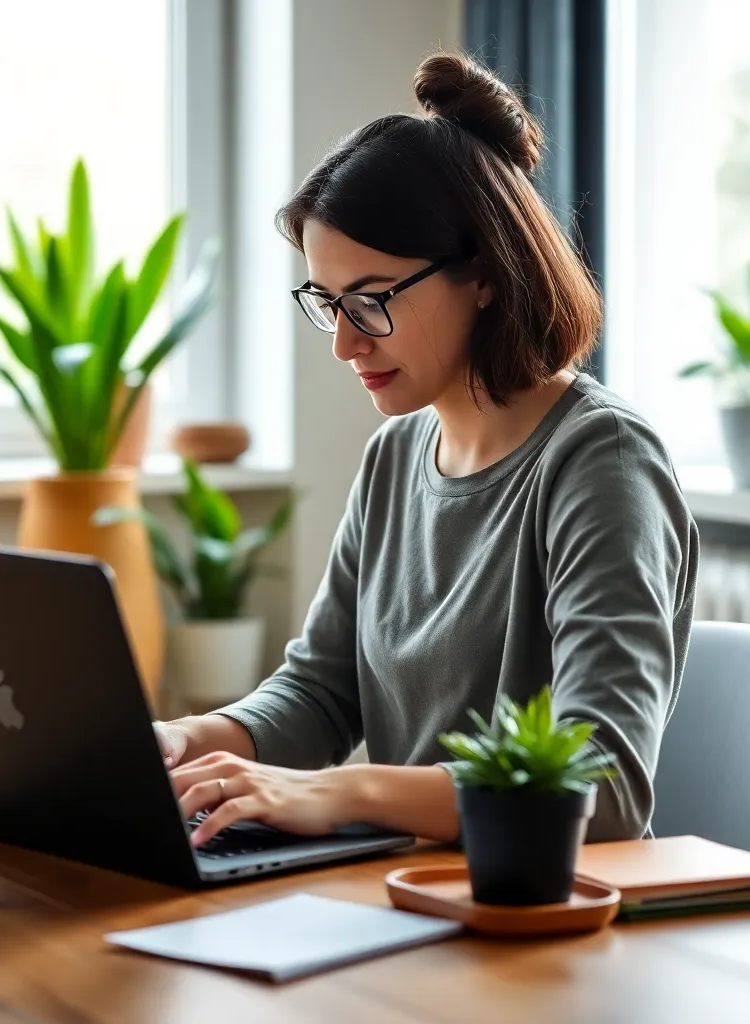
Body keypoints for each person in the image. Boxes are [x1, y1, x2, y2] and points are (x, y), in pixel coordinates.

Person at [158, 51, 699, 849]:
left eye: (371, 301)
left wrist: (341, 792)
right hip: (413, 894)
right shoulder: (394, 456)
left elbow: (602, 782)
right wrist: (191, 741)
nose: (344, 344)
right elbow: (321, 693)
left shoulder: (601, 461)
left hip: (541, 922)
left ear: (481, 272)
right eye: (327, 303)